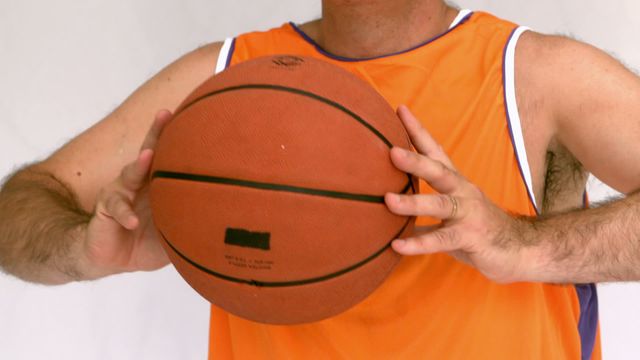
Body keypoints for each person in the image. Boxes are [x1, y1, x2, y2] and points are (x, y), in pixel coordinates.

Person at [1, 0, 639, 358]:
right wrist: (82, 249)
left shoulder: (535, 76)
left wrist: (524, 243)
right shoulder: (223, 81)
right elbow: (19, 212)